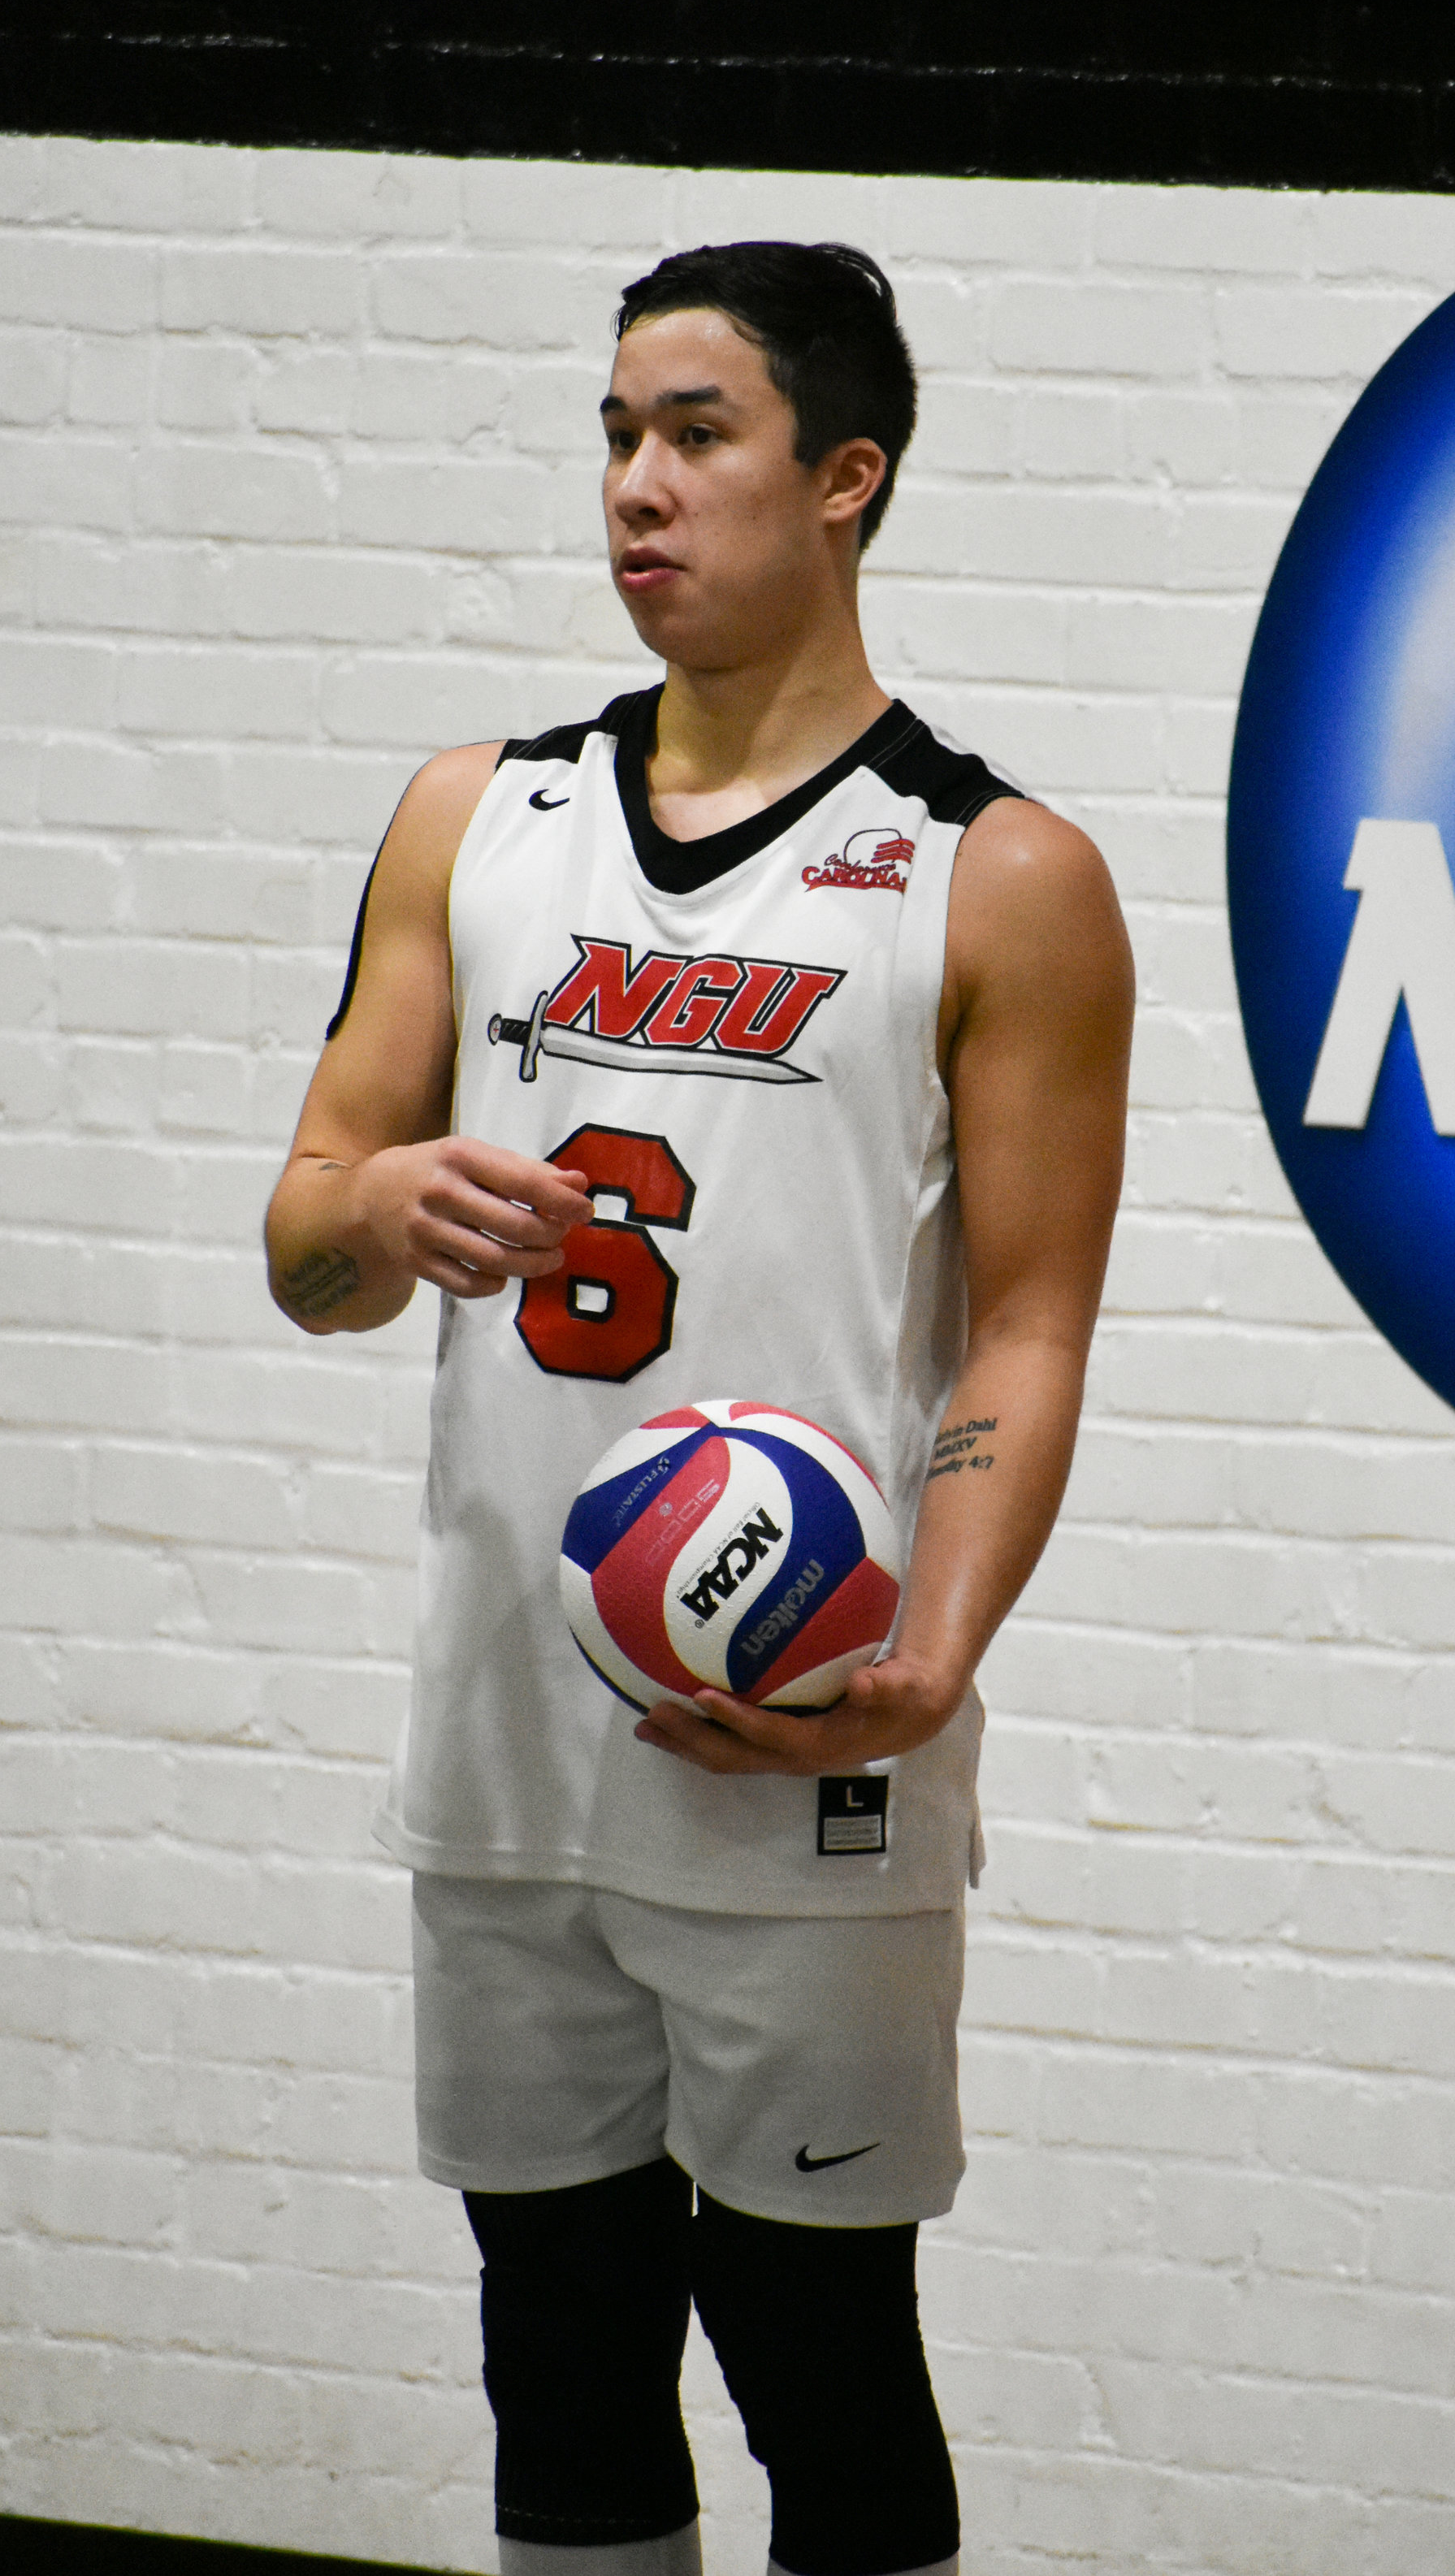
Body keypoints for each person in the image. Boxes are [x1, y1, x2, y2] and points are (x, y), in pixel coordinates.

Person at [265, 241, 1132, 2576]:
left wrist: (925, 1661)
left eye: (699, 437)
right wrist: (380, 1209)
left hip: (802, 1743)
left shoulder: (998, 870)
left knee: (815, 2354)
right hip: (507, 1744)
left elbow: (1029, 1326)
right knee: (550, 2339)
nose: (638, 489)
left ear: (843, 479)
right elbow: (306, 1250)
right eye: (617, 438)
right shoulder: (476, 812)